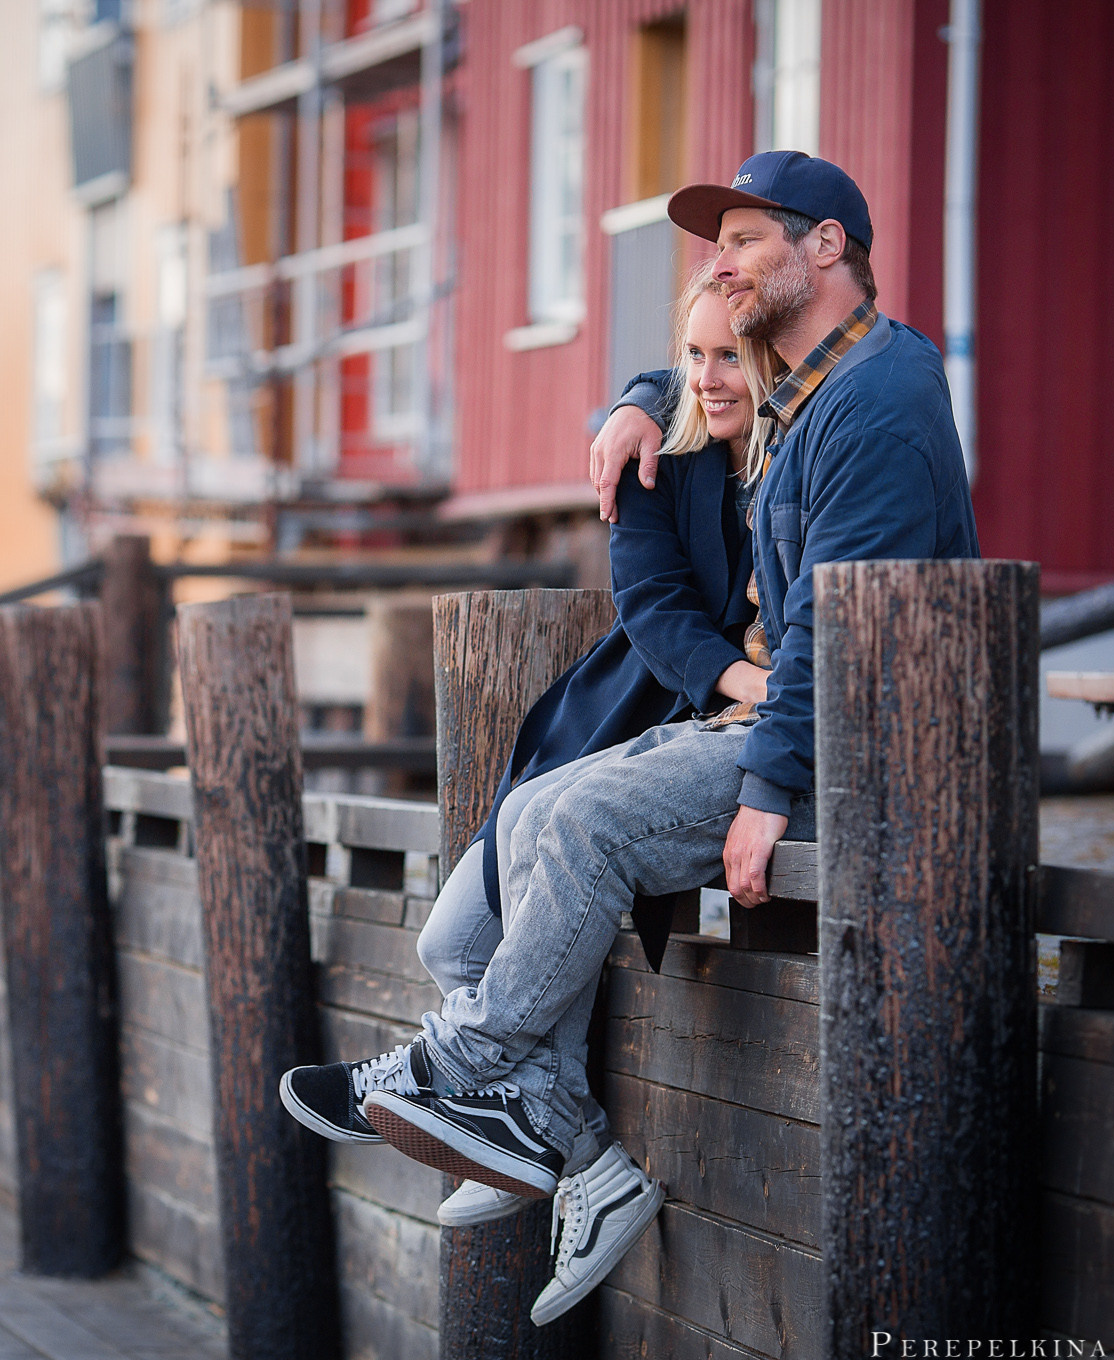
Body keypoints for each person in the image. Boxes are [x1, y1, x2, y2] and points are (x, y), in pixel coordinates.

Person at [280, 150, 981, 1326]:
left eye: (747, 239)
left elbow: (837, 628)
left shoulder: (876, 400)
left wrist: (769, 788)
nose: (724, 261)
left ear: (825, 248)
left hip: (860, 750)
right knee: (541, 809)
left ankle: (455, 1071)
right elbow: (705, 369)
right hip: (779, 720)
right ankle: (544, 1132)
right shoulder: (809, 389)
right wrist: (637, 395)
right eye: (719, 245)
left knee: (589, 821)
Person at [282, 262, 782, 1323]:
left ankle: (451, 1076)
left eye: (728, 357)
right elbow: (652, 603)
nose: (706, 377)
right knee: (452, 942)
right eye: (692, 357)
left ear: (771, 355)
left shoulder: (797, 455)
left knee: (551, 862)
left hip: (712, 746)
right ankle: (568, 1154)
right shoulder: (660, 449)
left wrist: (759, 705)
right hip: (641, 709)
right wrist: (641, 400)